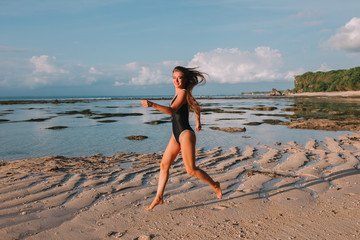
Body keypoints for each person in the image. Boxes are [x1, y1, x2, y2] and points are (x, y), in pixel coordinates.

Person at [141, 66, 222, 210]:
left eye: (179, 77)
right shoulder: (180, 93)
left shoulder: (183, 93)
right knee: (164, 165)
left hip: (185, 134)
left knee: (190, 170)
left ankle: (215, 185)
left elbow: (172, 111)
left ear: (185, 80)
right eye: (174, 78)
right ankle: (159, 197)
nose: (176, 80)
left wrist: (152, 104)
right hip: (175, 135)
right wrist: (198, 122)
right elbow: (196, 106)